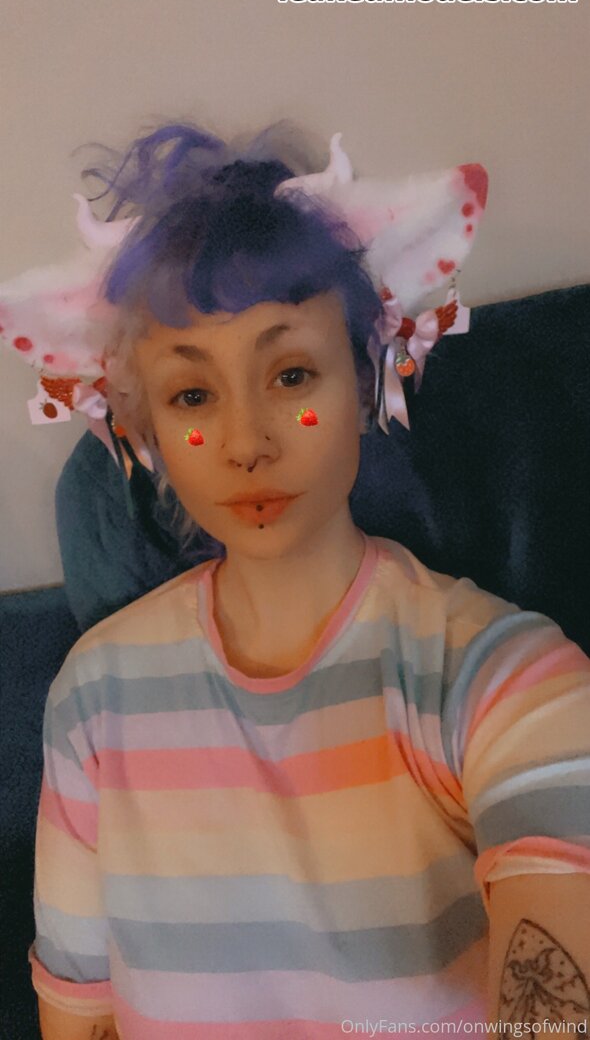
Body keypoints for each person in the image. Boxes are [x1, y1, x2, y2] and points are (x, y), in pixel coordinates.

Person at [15, 121, 590, 1039]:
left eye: (290, 374)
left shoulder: (499, 678)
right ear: (144, 427)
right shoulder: (93, 696)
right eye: (193, 395)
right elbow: (78, 1018)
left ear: (362, 382)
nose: (247, 443)